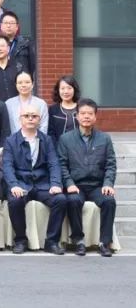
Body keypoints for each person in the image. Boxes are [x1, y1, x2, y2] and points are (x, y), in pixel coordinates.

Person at [3, 104, 66, 255]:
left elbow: (53, 163)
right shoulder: (11, 141)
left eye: (34, 116)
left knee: (60, 199)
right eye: (26, 116)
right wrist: (14, 185)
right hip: (21, 184)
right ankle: (20, 240)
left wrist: (55, 183)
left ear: (39, 119)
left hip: (42, 184)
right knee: (15, 201)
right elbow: (7, 166)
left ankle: (51, 242)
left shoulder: (47, 140)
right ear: (20, 119)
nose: (30, 119)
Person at [58, 99, 117, 257]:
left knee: (109, 201)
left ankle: (105, 242)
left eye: (90, 114)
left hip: (97, 185)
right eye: (83, 113)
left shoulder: (104, 139)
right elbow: (62, 165)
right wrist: (69, 183)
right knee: (73, 200)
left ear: (95, 117)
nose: (86, 116)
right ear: (77, 116)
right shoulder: (66, 139)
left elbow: (111, 164)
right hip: (76, 185)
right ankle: (78, 241)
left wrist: (108, 184)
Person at [4, 71, 48, 137]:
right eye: (20, 82)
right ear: (16, 85)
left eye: (27, 82)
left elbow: (43, 127)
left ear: (33, 84)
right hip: (13, 141)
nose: (23, 85)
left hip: (36, 141)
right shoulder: (8, 104)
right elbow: (5, 128)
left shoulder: (41, 104)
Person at [0, 11, 36, 77]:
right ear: (1, 26)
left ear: (17, 27)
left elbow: (33, 66)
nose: (8, 26)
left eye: (11, 23)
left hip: (21, 80)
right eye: (6, 23)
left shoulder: (26, 44)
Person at [48, 75, 81, 146]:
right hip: (59, 149)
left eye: (69, 88)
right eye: (62, 88)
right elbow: (51, 133)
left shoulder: (81, 108)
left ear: (74, 90)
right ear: (58, 90)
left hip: (79, 149)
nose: (66, 91)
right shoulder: (53, 110)